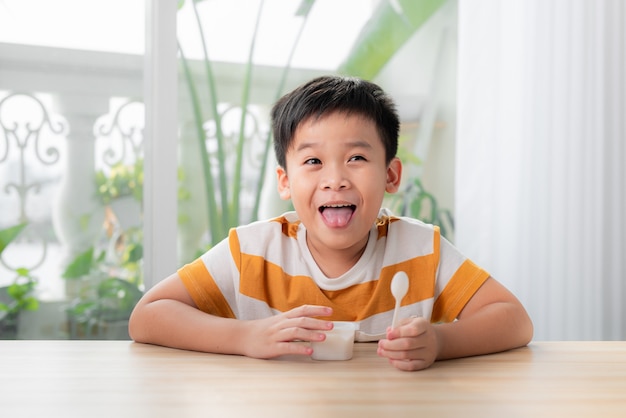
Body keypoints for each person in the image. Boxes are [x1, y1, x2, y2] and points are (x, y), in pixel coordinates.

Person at [129, 75, 533, 371]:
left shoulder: (420, 250)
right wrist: (247, 336)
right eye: (313, 161)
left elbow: (514, 320)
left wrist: (440, 342)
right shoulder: (252, 252)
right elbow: (148, 316)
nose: (335, 178)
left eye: (356, 158)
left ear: (391, 175)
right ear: (285, 181)